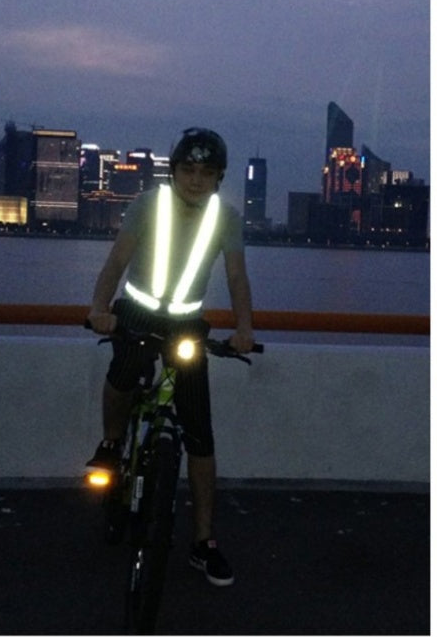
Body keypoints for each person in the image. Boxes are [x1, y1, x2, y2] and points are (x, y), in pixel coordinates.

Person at [85, 127, 255, 587]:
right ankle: (112, 442)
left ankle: (203, 542)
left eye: (207, 172)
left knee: (199, 430)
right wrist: (99, 309)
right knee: (124, 372)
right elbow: (117, 261)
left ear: (219, 178)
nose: (196, 180)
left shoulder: (226, 217)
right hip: (137, 313)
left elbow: (236, 277)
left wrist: (244, 328)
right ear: (174, 171)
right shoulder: (148, 204)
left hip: (185, 323)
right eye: (188, 169)